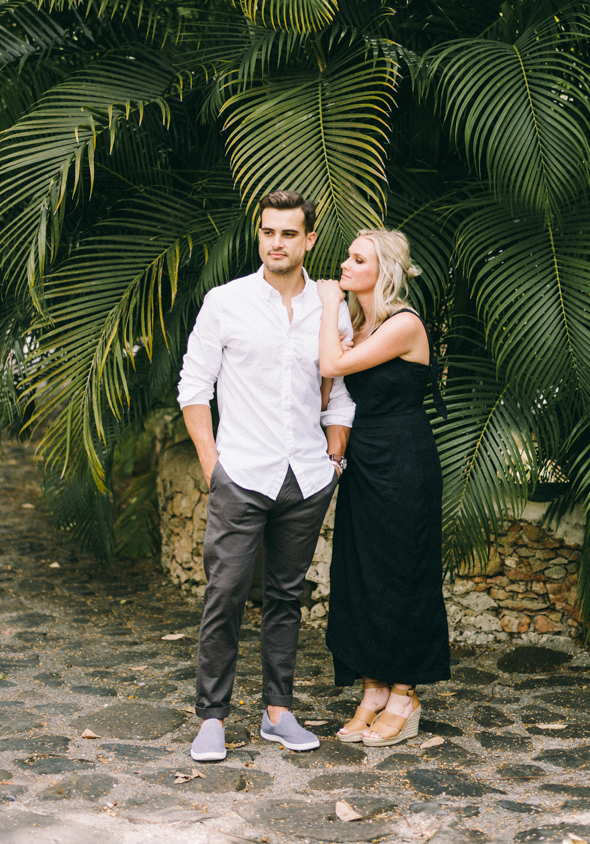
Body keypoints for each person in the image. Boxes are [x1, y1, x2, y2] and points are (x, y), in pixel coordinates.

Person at [178, 189, 355, 761]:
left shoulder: (331, 308)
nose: (276, 243)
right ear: (260, 235)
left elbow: (342, 386)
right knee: (225, 593)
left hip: (305, 475)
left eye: (288, 233)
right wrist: (213, 464)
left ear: (308, 239)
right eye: (267, 232)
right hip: (242, 472)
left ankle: (278, 711)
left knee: (286, 596)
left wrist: (333, 453)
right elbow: (193, 387)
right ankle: (211, 718)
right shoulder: (225, 302)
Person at [317, 229, 451, 747]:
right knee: (359, 571)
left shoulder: (403, 323)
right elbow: (329, 383)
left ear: (384, 271)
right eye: (346, 258)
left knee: (403, 572)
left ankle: (403, 694)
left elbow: (332, 364)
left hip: (404, 459)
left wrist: (329, 301)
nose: (345, 266)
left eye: (357, 259)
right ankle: (371, 690)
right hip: (364, 458)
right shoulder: (360, 324)